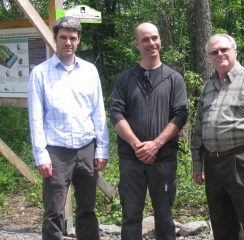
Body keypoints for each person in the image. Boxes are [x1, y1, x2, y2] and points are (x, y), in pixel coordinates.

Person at [28, 16, 109, 240]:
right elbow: (35, 117)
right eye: (63, 37)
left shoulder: (89, 71)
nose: (68, 42)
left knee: (87, 208)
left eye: (72, 38)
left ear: (79, 40)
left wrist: (102, 149)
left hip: (86, 149)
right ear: (55, 39)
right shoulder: (40, 73)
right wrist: (40, 155)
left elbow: (98, 113)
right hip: (56, 151)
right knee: (53, 210)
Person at [109, 22, 188, 240]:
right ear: (137, 44)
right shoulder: (125, 79)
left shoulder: (174, 79)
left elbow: (180, 115)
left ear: (160, 40)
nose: (151, 43)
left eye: (154, 38)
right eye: (145, 39)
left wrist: (156, 144)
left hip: (163, 159)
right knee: (131, 214)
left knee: (164, 216)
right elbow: (116, 113)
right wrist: (137, 145)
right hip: (131, 159)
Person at [191, 34, 244, 240]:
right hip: (213, 163)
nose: (220, 54)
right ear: (209, 57)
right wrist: (197, 163)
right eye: (214, 52)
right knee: (222, 226)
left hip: (241, 161)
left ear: (234, 51)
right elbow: (199, 126)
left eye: (224, 49)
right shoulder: (208, 86)